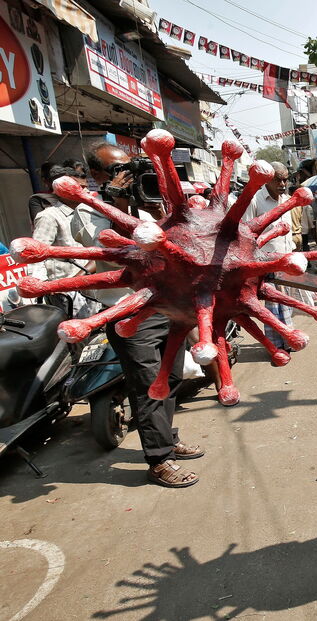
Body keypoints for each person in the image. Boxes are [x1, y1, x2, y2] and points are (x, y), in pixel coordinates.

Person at [75, 142, 202, 487]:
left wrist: (161, 212)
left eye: (129, 168)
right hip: (127, 312)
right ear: (97, 175)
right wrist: (116, 204)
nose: (128, 177)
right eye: (117, 170)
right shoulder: (88, 211)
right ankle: (159, 460)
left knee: (170, 378)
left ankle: (167, 440)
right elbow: (115, 247)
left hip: (162, 307)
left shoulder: (146, 205)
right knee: (148, 385)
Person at [30, 165, 97, 317]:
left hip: (90, 285)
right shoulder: (49, 216)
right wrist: (42, 285)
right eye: (80, 187)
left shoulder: (86, 213)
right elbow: (36, 254)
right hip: (66, 292)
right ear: (62, 190)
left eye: (86, 187)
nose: (86, 191)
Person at [243, 161, 296, 351]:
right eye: (278, 180)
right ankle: (276, 345)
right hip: (264, 262)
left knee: (286, 301)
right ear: (267, 180)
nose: (282, 184)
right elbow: (246, 233)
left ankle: (288, 340)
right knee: (273, 305)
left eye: (285, 180)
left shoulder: (287, 200)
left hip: (286, 260)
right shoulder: (255, 200)